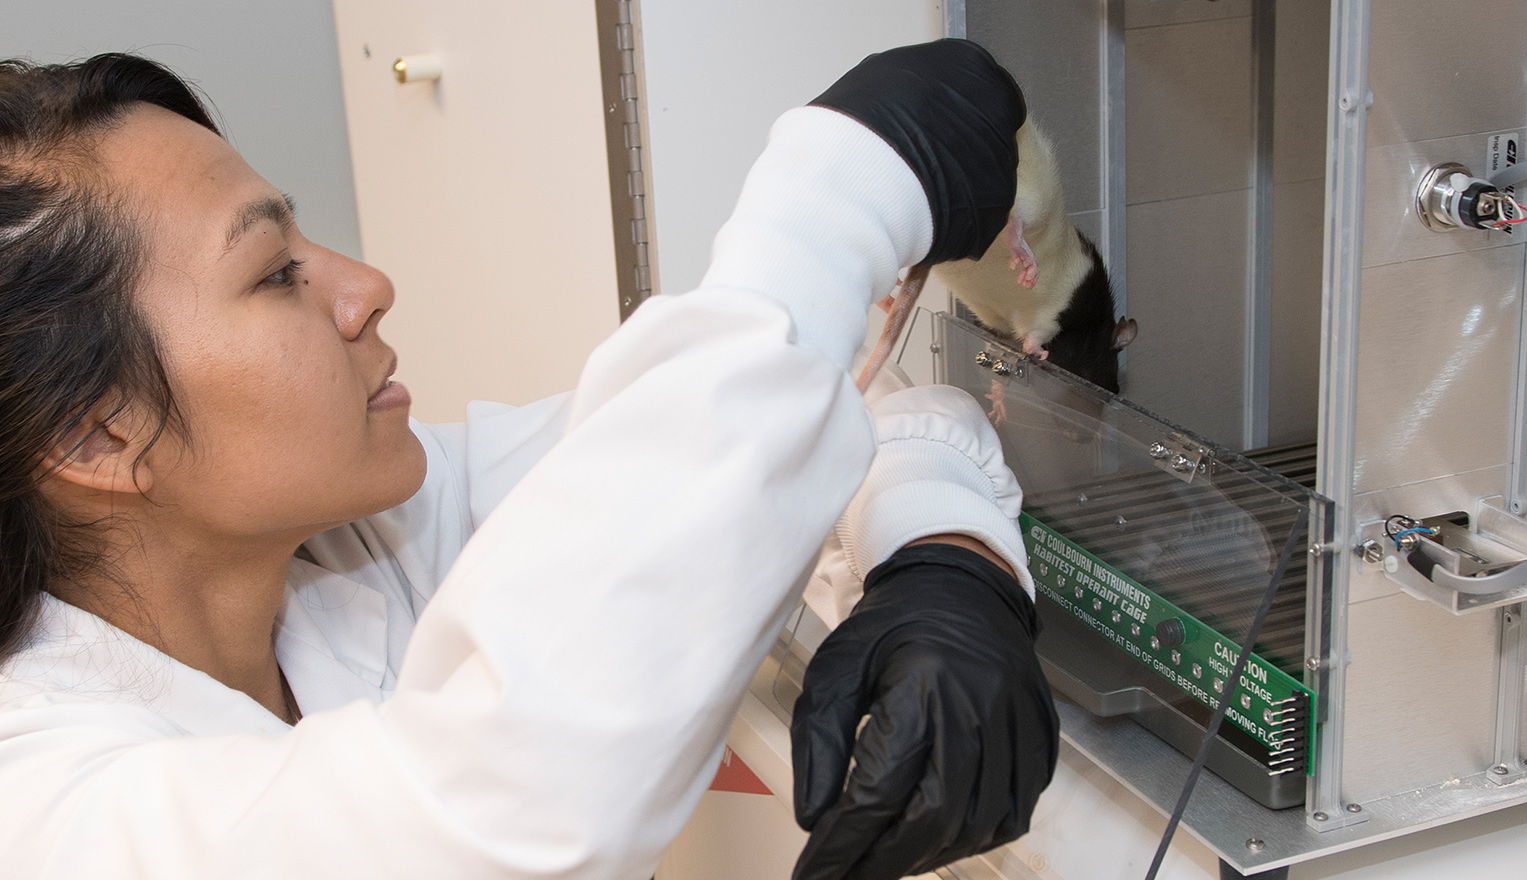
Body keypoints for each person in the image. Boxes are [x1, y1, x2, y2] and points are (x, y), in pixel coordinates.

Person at [0, 42, 1056, 880]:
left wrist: (942, 551)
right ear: (97, 434)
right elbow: (506, 806)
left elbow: (837, 411)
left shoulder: (363, 544)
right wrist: (840, 201)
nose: (365, 286)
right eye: (277, 272)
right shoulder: (46, 809)